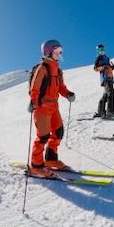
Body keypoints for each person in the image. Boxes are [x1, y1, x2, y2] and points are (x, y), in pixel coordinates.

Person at [28, 39, 76, 176]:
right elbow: (35, 87)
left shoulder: (58, 71)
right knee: (43, 136)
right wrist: (33, 101)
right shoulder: (43, 68)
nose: (59, 54)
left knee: (58, 132)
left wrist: (68, 94)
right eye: (56, 51)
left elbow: (60, 87)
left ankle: (50, 159)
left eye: (61, 52)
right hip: (41, 106)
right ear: (48, 52)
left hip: (54, 106)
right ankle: (36, 165)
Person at [92, 44, 114, 120]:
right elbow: (95, 68)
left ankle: (100, 111)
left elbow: (108, 67)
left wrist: (112, 67)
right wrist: (102, 67)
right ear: (97, 51)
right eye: (100, 50)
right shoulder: (98, 58)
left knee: (105, 95)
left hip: (110, 78)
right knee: (111, 93)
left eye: (102, 49)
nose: (102, 51)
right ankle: (110, 111)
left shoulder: (106, 58)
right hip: (105, 78)